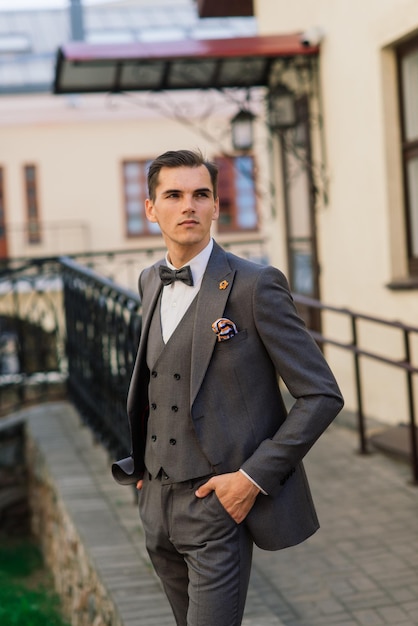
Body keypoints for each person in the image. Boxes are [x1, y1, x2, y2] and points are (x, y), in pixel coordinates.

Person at [112, 149, 344, 626]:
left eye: (201, 195)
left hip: (218, 505)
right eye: (173, 195)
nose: (188, 207)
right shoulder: (149, 282)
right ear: (151, 208)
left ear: (217, 206)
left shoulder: (255, 286)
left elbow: (321, 394)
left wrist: (252, 478)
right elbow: (157, 379)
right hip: (155, 504)